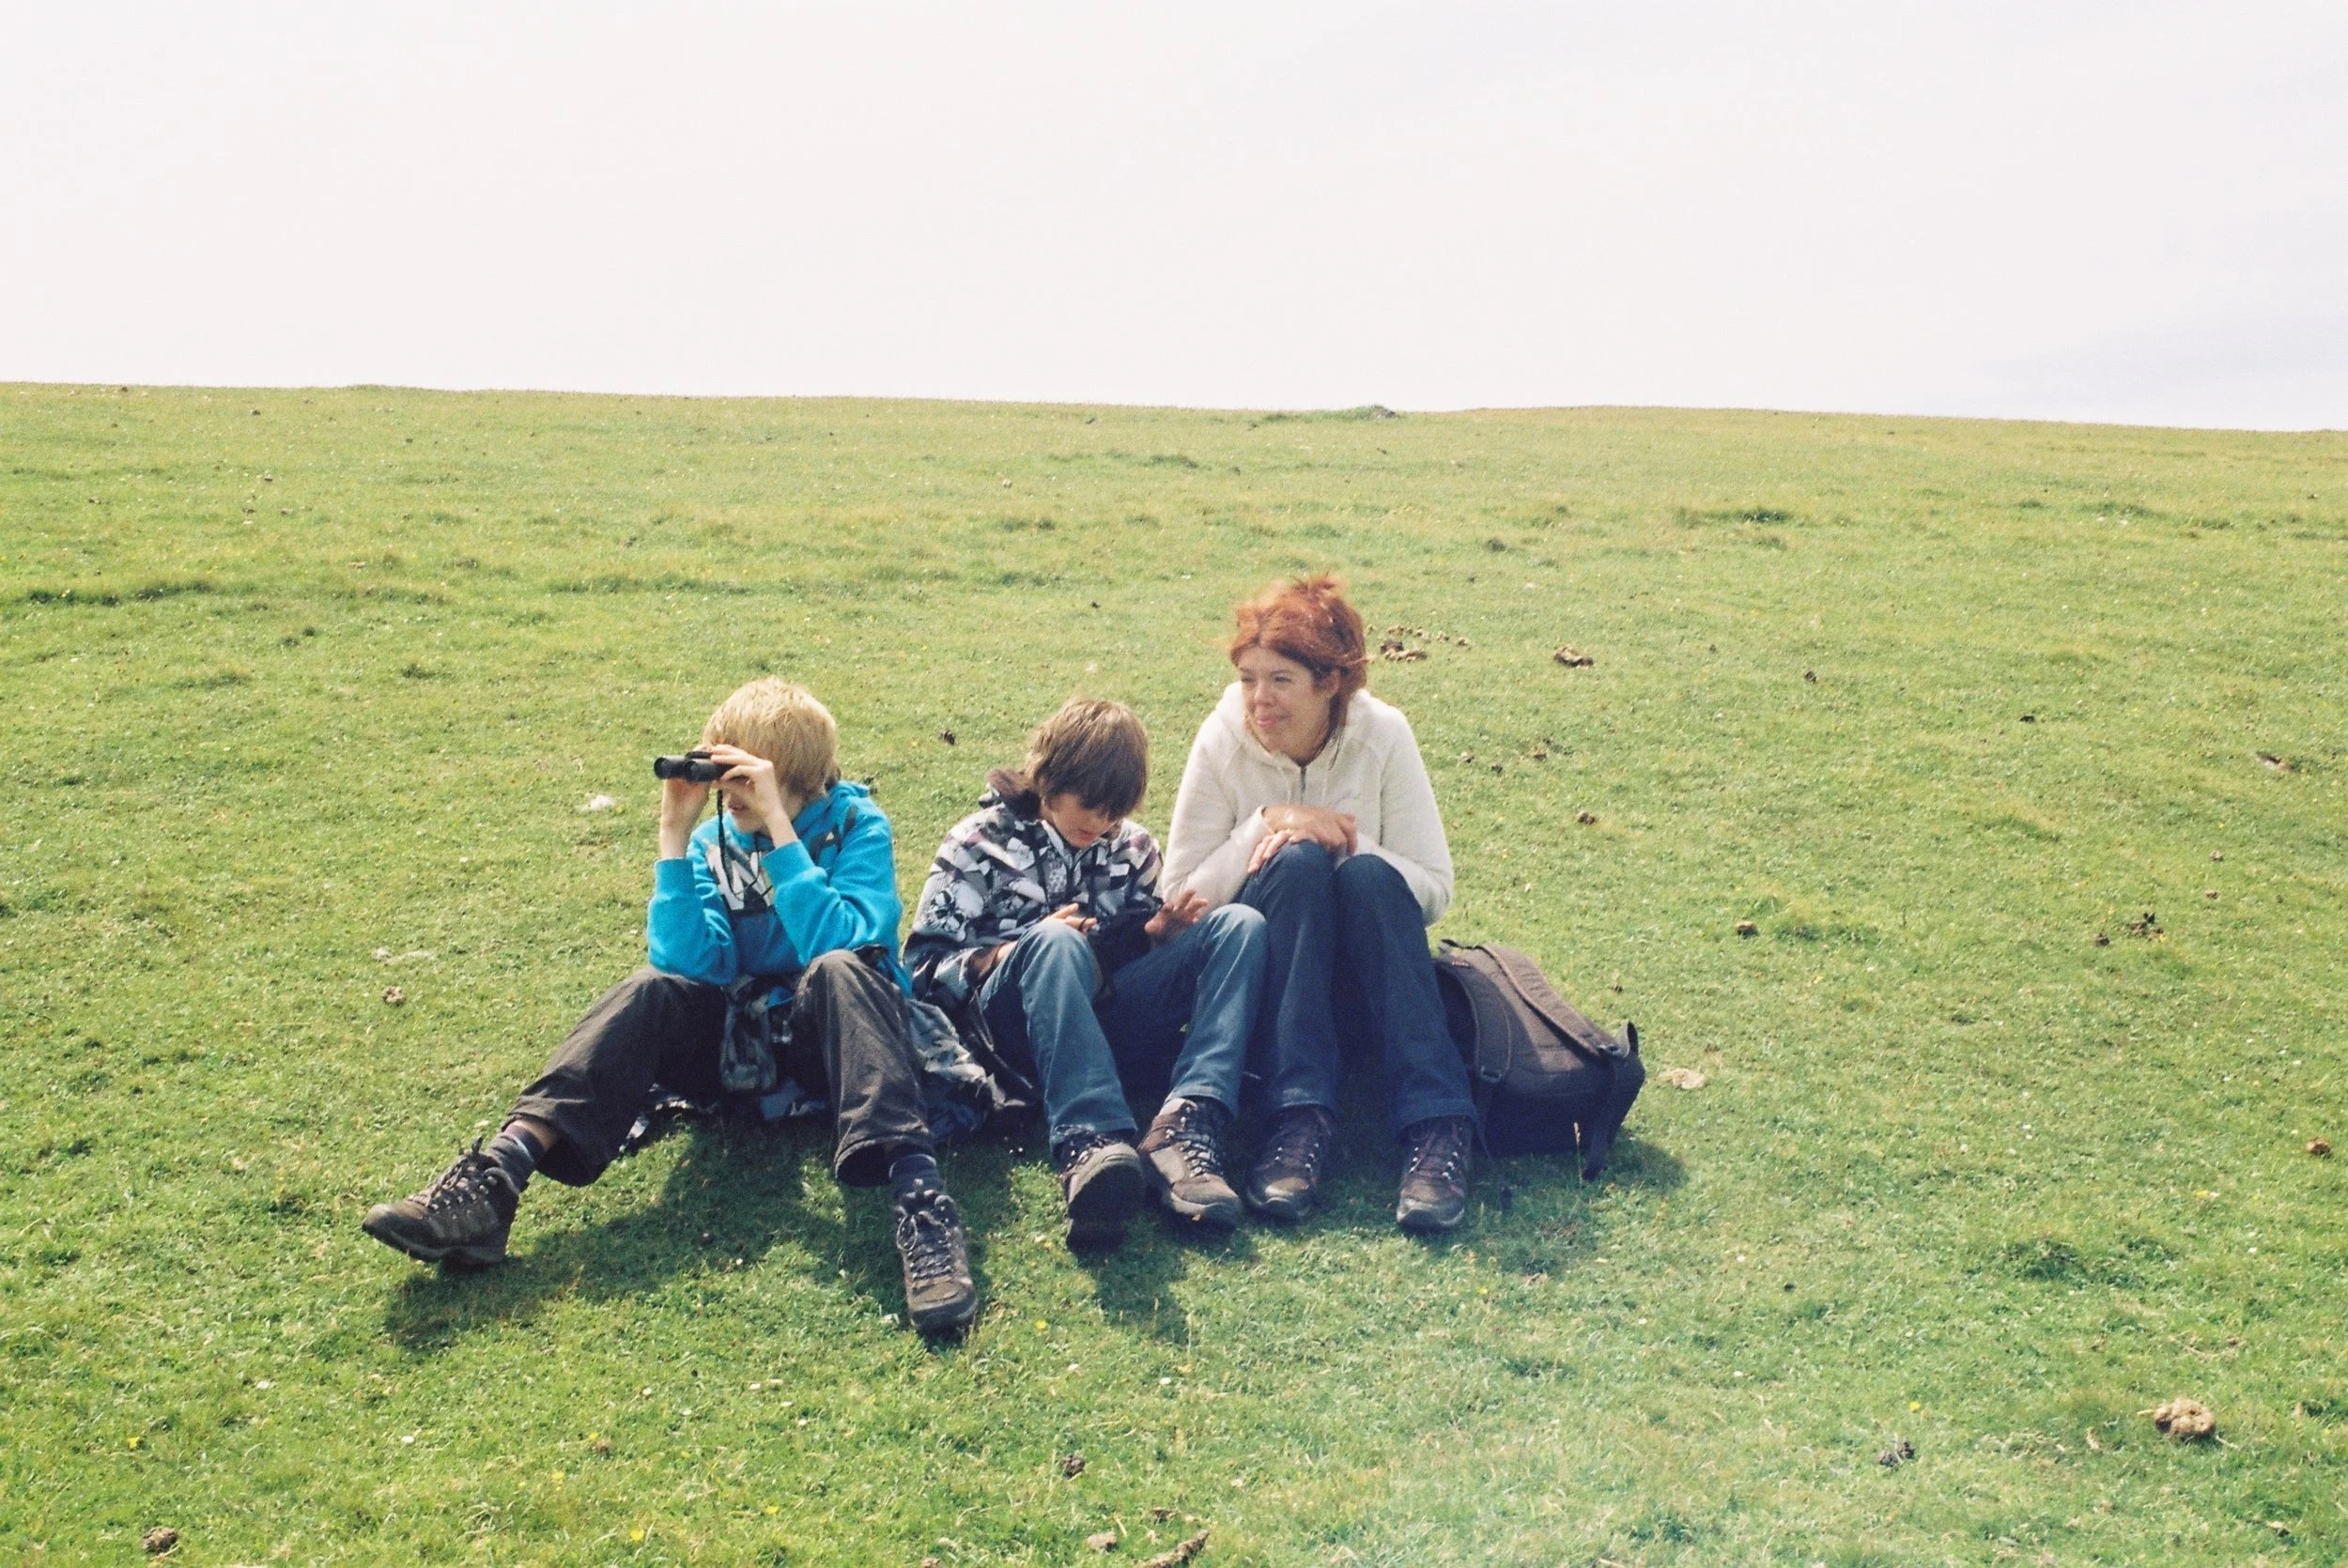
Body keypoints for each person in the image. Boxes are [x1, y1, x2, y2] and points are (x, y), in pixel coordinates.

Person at [362, 678, 981, 1335]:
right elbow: (690, 966)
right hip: (749, 1046)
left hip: (845, 1042)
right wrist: (674, 840)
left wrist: (779, 834)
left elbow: (851, 942)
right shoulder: (718, 840)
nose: (729, 793)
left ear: (793, 779)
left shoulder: (857, 825)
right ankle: (500, 1176)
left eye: (744, 777)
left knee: (836, 969)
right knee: (646, 989)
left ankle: (922, 1205)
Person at [1162, 576, 1480, 1234]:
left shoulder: (1384, 734)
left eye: (1281, 681)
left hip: (1368, 974)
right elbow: (1178, 897)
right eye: (1249, 678)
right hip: (1273, 984)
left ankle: (1437, 1125)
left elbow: (1434, 888)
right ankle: (1297, 1118)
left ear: (1330, 684)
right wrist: (1268, 824)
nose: (1259, 700)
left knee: (1362, 874)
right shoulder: (1223, 737)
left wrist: (1348, 843)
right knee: (1294, 861)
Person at [906, 699, 1268, 1249]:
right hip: (1011, 1039)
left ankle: (1189, 1123)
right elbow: (921, 971)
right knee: (1054, 941)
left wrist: (1156, 938)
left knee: (1238, 924)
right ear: (1048, 775)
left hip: (1111, 1028)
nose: (1098, 824)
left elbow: (1127, 962)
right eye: (1089, 804)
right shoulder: (977, 844)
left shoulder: (1136, 848)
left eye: (1114, 812)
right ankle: (1090, 1142)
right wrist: (1012, 952)